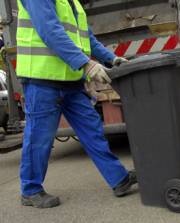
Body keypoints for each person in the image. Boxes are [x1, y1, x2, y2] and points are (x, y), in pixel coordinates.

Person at [16, 0, 136, 208]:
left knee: (93, 131)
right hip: (44, 81)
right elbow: (50, 31)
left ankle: (119, 179)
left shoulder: (71, 3)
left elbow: (87, 39)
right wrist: (86, 64)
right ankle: (31, 189)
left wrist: (112, 59)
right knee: (39, 138)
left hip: (72, 81)